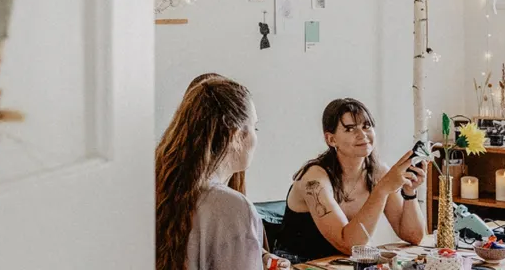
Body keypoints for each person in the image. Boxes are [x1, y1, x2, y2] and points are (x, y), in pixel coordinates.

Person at [156, 74, 291, 270]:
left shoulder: (162, 187)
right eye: (255, 127)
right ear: (235, 135)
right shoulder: (232, 207)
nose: (256, 136)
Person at [273, 98, 427, 262]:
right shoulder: (314, 180)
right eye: (350, 129)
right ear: (331, 139)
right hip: (299, 263)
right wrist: (382, 190)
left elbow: (414, 237)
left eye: (366, 126)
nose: (362, 135)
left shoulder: (378, 172)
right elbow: (349, 245)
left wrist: (409, 192)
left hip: (341, 263)